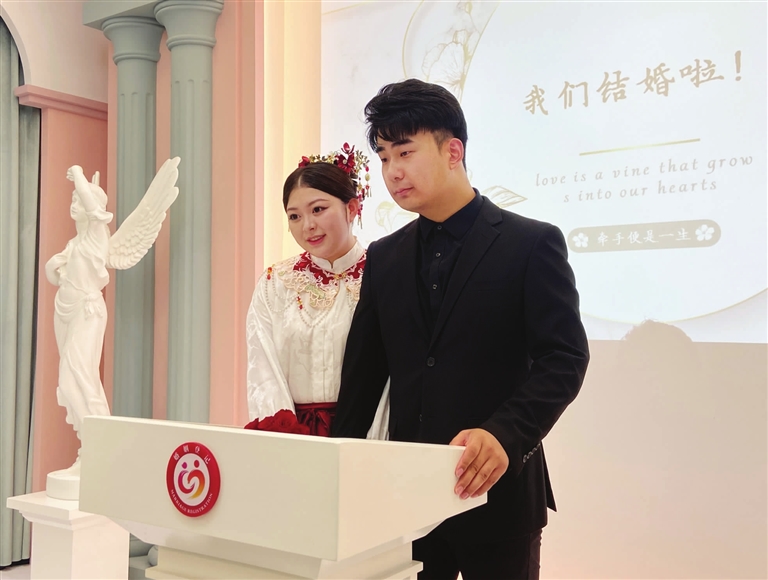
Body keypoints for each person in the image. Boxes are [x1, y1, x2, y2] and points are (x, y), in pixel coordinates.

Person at [331, 79, 590, 579]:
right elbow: (363, 377)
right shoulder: (384, 257)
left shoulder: (530, 244)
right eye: (383, 157)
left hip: (499, 496)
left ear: (453, 151)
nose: (392, 171)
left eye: (405, 151)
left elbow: (564, 359)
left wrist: (505, 433)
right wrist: (336, 471)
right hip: (408, 503)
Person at [246, 144, 388, 438]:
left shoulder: (385, 275)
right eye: (294, 216)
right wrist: (284, 434)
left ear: (351, 208)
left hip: (368, 434)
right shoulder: (276, 283)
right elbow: (263, 370)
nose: (307, 226)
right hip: (294, 436)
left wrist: (375, 440)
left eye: (318, 210)